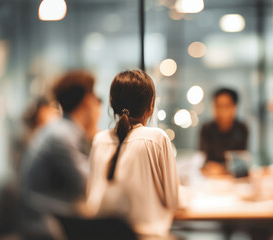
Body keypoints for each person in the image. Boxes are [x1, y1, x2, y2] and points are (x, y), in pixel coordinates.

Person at [86, 70, 179, 239]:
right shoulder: (157, 139)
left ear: (112, 105)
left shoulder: (99, 140)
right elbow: (173, 200)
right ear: (151, 106)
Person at [19, 71, 101, 240]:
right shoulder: (63, 135)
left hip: (49, 213)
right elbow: (87, 185)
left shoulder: (61, 130)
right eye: (94, 97)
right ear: (87, 100)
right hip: (45, 219)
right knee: (117, 228)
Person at [199, 88, 249, 174]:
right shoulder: (207, 128)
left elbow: (241, 161)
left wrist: (223, 169)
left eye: (226, 106)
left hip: (234, 178)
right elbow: (202, 159)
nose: (222, 111)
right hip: (211, 178)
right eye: (218, 106)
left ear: (234, 107)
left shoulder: (241, 128)